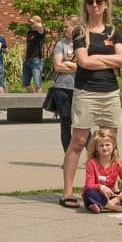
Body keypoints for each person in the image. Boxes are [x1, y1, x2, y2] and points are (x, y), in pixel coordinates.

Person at [58, 0, 122, 208]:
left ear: (106, 4)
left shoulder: (113, 32)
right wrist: (107, 60)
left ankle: (111, 188)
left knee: (109, 143)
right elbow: (83, 62)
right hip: (86, 92)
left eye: (99, 1)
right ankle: (68, 192)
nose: (94, 5)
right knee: (78, 142)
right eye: (90, 2)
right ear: (85, 5)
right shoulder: (80, 32)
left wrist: (95, 57)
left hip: (110, 92)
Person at [82, 128, 122, 213]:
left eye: (107, 145)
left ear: (113, 145)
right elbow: (89, 185)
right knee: (88, 193)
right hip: (97, 194)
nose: (104, 148)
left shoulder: (118, 162)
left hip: (112, 196)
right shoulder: (92, 163)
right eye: (101, 146)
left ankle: (103, 206)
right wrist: (101, 187)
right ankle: (119, 207)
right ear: (96, 148)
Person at [48, 14, 79, 153]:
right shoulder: (61, 44)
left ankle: (92, 158)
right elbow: (57, 66)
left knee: (82, 124)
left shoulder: (85, 44)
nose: (64, 29)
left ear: (76, 28)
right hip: (61, 88)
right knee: (65, 122)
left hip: (79, 89)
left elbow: (86, 67)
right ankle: (68, 156)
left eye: (67, 26)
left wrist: (68, 64)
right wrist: (75, 67)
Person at [22, 16, 46, 92]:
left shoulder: (40, 33)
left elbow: (41, 27)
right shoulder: (29, 32)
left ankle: (39, 102)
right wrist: (24, 57)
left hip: (36, 60)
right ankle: (33, 98)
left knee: (37, 83)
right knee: (25, 83)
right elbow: (28, 45)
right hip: (27, 60)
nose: (31, 23)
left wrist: (37, 23)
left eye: (33, 22)